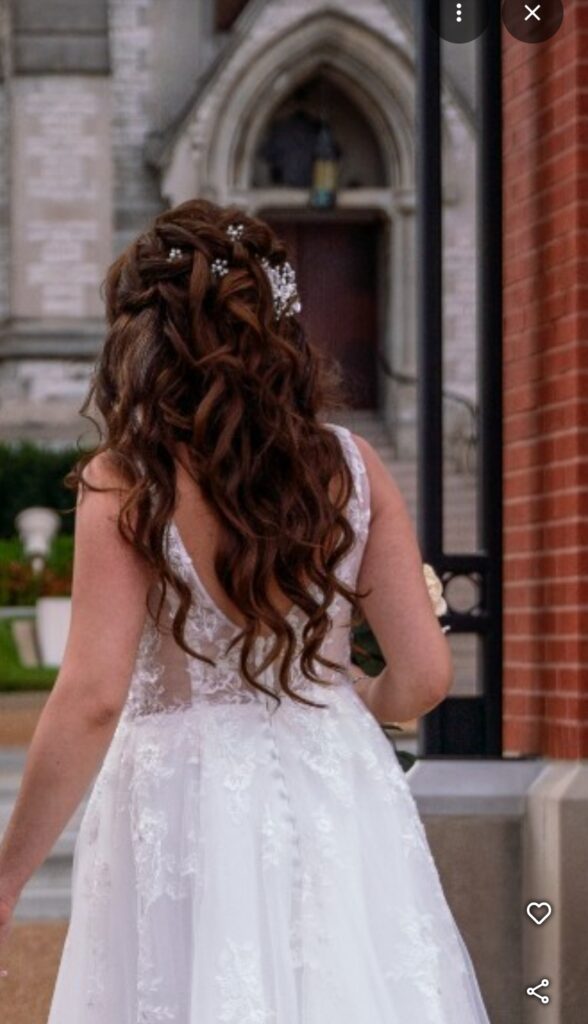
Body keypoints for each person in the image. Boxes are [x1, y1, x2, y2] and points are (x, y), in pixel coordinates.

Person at [0, 199, 490, 1022]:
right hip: (333, 780)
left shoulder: (127, 481)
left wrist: (9, 874)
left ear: (145, 337)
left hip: (182, 800)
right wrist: (360, 697)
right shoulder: (353, 467)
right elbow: (426, 676)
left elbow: (91, 698)